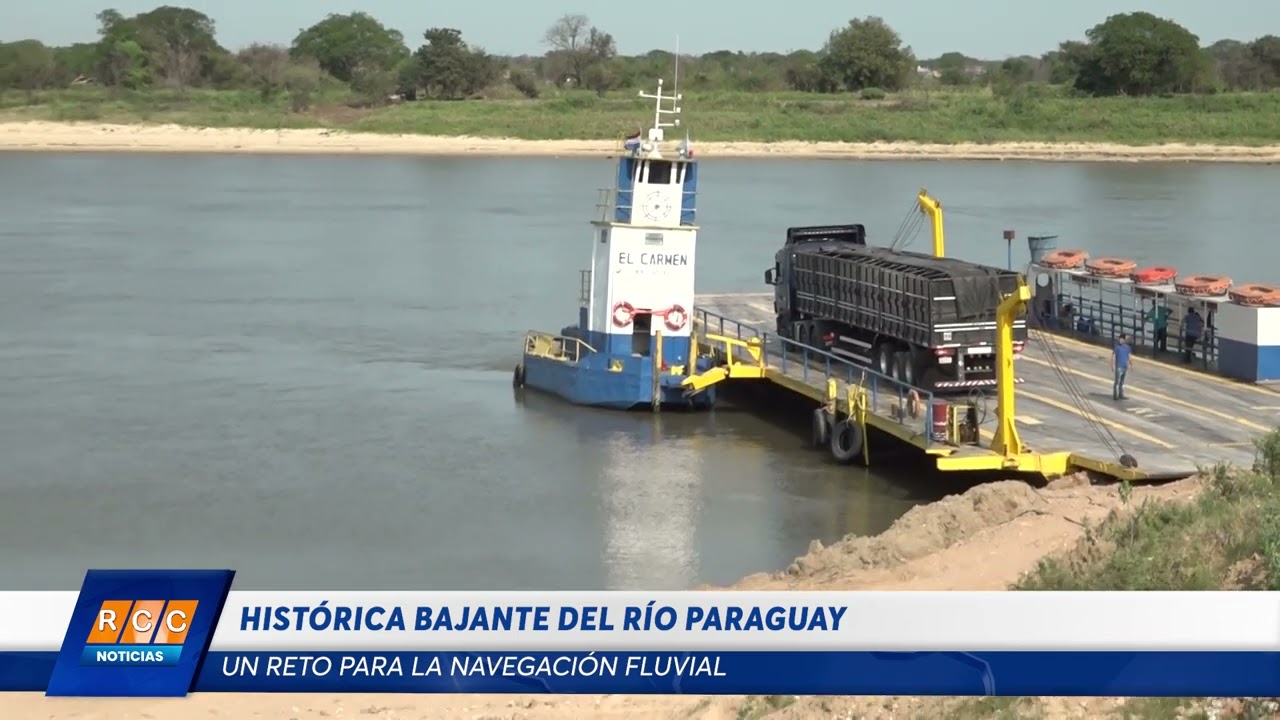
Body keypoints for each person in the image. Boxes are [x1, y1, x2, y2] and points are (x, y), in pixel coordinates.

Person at [1112, 334, 1132, 401]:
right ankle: (1115, 395)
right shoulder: (1117, 347)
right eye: (1120, 339)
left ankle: (1120, 394)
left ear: (1124, 340)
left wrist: (1129, 364)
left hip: (1124, 366)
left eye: (1122, 339)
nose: (1121, 340)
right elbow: (1114, 356)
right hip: (1119, 366)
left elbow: (1129, 356)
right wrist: (1113, 365)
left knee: (1122, 381)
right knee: (1117, 381)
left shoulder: (1127, 348)